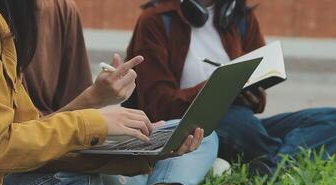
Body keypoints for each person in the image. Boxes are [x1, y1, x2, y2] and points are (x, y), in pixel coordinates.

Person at [0, 0, 204, 185]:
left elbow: (25, 132)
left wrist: (94, 99)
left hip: (23, 166)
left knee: (195, 132)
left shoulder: (19, 17)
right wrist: (93, 122)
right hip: (6, 175)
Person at [124, 0, 336, 174]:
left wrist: (254, 97)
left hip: (243, 121)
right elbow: (158, 104)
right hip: (189, 126)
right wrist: (218, 88)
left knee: (330, 119)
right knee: (240, 122)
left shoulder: (241, 18)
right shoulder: (155, 21)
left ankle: (271, 166)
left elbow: (258, 81)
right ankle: (283, 162)